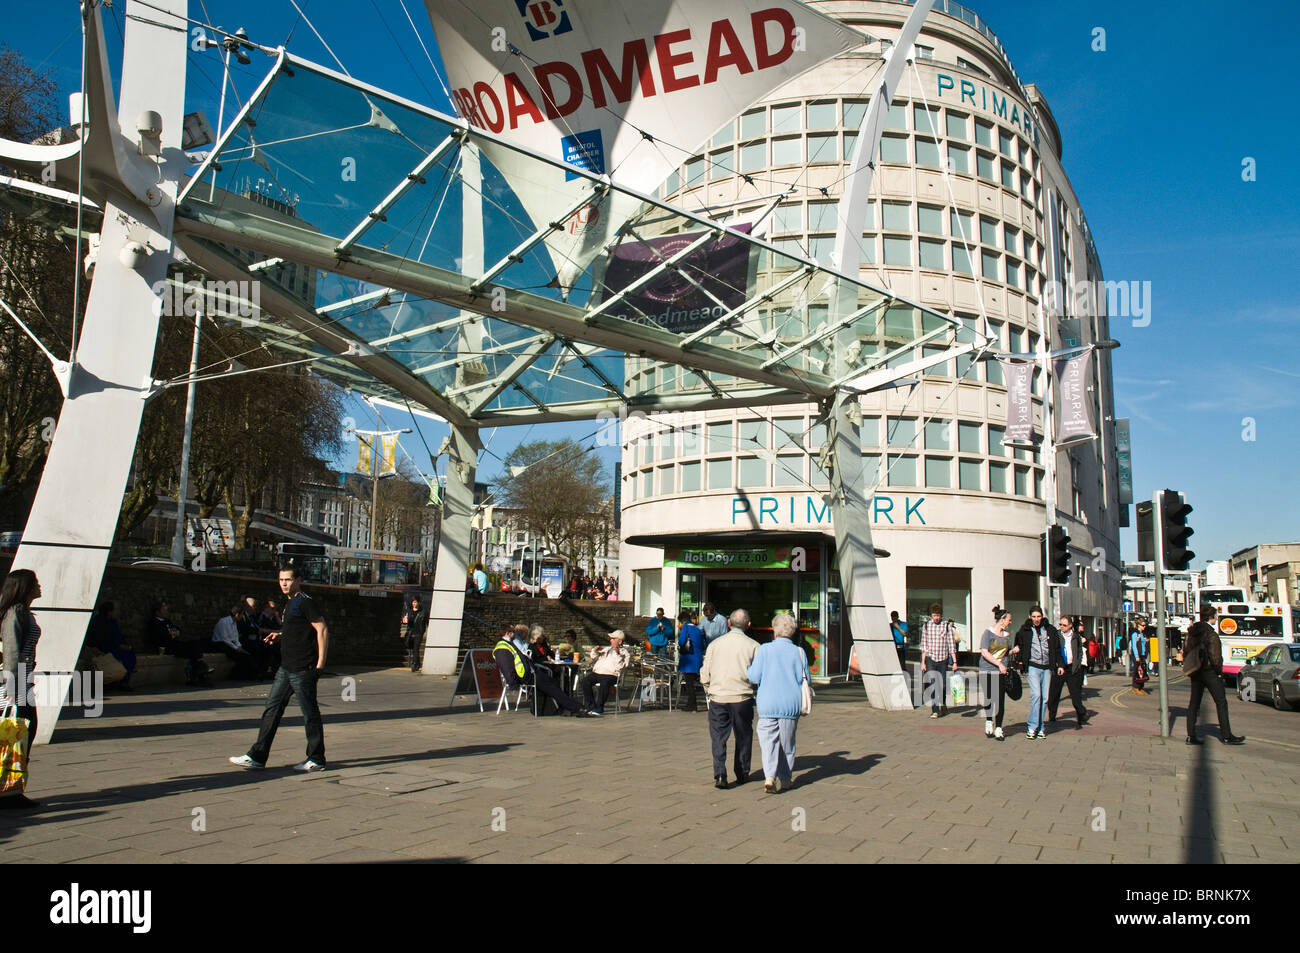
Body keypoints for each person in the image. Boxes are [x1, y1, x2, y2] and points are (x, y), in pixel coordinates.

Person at [229, 566, 329, 771]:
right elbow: (297, 629)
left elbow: (322, 629)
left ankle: (316, 758)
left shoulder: (305, 601)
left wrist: (320, 663)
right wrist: (280, 634)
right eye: (281, 579)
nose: (284, 583)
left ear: (298, 580)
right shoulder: (291, 602)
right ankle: (257, 756)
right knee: (271, 710)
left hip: (303, 668)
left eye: (288, 579)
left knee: (310, 714)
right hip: (286, 667)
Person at [746, 613, 809, 794]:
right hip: (790, 705)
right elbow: (806, 680)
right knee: (787, 744)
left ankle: (769, 776)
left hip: (768, 704)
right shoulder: (799, 652)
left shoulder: (765, 650)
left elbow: (754, 676)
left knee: (768, 743)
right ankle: (786, 778)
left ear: (775, 631)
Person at [700, 608, 758, 790]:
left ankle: (720, 774)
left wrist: (709, 689)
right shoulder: (754, 646)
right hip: (742, 696)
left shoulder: (715, 645)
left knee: (718, 736)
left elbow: (705, 673)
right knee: (743, 735)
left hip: (718, 696)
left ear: (729, 623)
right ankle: (742, 772)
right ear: (748, 625)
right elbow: (758, 675)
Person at [0, 568, 42, 809]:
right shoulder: (16, 612)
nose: (39, 586)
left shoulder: (23, 612)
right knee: (19, 732)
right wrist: (13, 686)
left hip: (21, 680)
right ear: (24, 587)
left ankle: (12, 788)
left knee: (21, 733)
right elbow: (12, 652)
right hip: (14, 683)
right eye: (35, 582)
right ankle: (9, 791)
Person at [1183, 606, 1245, 745]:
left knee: (1194, 703)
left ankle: (1191, 736)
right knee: (1221, 702)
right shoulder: (1211, 634)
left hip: (1196, 671)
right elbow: (1215, 657)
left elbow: (1186, 651)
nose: (1217, 618)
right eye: (1216, 616)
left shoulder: (1192, 632)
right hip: (1209, 671)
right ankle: (1227, 736)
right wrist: (1219, 672)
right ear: (1211, 617)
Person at [1014, 605, 1060, 739]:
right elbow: (1019, 645)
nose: (1036, 619)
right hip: (1033, 666)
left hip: (1047, 667)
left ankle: (1041, 727)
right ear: (1030, 617)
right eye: (1033, 617)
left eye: (1038, 616)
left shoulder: (1050, 630)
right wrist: (1021, 661)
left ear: (1042, 616)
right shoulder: (1025, 630)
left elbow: (1056, 648)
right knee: (1036, 696)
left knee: (1045, 698)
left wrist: (1059, 664)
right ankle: (1032, 727)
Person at [147, 600, 210, 687]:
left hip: (174, 643)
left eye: (166, 609)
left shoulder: (167, 621)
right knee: (188, 649)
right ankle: (198, 671)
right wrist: (171, 634)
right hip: (165, 647)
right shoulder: (153, 622)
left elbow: (176, 630)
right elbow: (160, 636)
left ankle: (198, 670)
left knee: (195, 644)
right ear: (157, 612)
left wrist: (174, 633)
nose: (166, 612)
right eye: (164, 610)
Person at [978, 606, 1016, 740]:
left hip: (1001, 672)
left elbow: (1005, 652)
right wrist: (999, 664)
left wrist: (1013, 651)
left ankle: (999, 728)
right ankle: (989, 722)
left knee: (1000, 700)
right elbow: (984, 651)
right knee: (989, 698)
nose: (1010, 622)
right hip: (987, 670)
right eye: (1009, 620)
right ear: (1002, 620)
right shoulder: (988, 633)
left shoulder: (1007, 635)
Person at [1048, 614, 1090, 729]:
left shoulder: (1076, 636)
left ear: (1070, 625)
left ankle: (1081, 716)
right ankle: (1052, 716)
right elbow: (1053, 651)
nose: (1061, 627)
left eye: (1064, 625)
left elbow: (1080, 651)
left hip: (1072, 668)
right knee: (1054, 694)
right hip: (1060, 668)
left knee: (1075, 695)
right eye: (1060, 624)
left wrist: (1077, 665)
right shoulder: (1056, 635)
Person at [919, 603, 957, 718]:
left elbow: (952, 645)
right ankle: (935, 710)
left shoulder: (946, 626)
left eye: (938, 615)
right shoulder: (926, 626)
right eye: (934, 615)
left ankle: (943, 703)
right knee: (933, 684)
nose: (936, 618)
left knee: (943, 685)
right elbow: (924, 645)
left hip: (943, 659)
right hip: (931, 659)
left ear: (941, 615)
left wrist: (955, 662)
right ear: (931, 615)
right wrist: (923, 662)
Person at [87, 601, 136, 691]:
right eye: (115, 610)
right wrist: (120, 646)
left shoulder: (112, 622)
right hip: (104, 648)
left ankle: (122, 681)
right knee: (123, 657)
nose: (117, 612)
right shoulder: (100, 622)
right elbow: (104, 639)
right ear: (109, 612)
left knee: (129, 654)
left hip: (113, 646)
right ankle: (119, 681)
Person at [580, 630, 630, 716]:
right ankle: (591, 706)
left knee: (604, 683)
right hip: (598, 672)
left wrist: (618, 653)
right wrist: (595, 651)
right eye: (611, 639)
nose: (611, 640)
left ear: (620, 641)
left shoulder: (624, 653)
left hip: (611, 675)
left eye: (613, 639)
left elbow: (624, 665)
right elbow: (595, 657)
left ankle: (599, 708)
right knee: (585, 681)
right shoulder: (607, 649)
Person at [210, 604, 256, 680]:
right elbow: (224, 638)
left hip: (230, 643)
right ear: (237, 614)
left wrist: (239, 646)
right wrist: (236, 648)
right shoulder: (223, 621)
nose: (242, 617)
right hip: (220, 643)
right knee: (239, 656)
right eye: (241, 615)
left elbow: (235, 637)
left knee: (247, 653)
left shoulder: (234, 623)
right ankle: (237, 675)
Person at [676, 609, 704, 712]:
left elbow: (682, 641)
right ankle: (691, 704)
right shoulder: (697, 629)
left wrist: (679, 642)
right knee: (692, 683)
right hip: (697, 659)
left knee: (689, 684)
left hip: (688, 660)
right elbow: (703, 644)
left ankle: (692, 705)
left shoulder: (685, 628)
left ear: (683, 620)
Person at [402, 596, 429, 672]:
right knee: (413, 649)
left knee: (416, 649)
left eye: (415, 602)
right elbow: (405, 621)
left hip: (419, 632)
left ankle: (415, 664)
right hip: (411, 632)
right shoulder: (409, 611)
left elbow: (427, 622)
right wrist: (404, 621)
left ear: (419, 603)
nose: (414, 604)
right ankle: (417, 663)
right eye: (413, 602)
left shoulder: (423, 612)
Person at [1131, 616, 1150, 694]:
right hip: (1137, 655)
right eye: (1143, 625)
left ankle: (1141, 687)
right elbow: (1134, 646)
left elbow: (1143, 644)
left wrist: (1146, 641)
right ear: (1138, 625)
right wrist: (1136, 656)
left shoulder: (1142, 634)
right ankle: (1135, 687)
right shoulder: (1135, 634)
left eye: (1145, 625)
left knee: (1143, 671)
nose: (1144, 627)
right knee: (1137, 671)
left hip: (1142, 655)